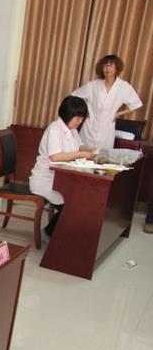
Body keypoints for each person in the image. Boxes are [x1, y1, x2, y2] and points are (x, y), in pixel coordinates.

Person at [29, 96, 95, 242]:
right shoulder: (54, 129)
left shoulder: (72, 130)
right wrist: (80, 154)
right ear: (67, 115)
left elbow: (79, 146)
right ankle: (48, 233)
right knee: (72, 207)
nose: (80, 122)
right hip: (45, 180)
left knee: (81, 201)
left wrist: (90, 152)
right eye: (77, 118)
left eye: (82, 119)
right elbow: (56, 156)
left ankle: (64, 235)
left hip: (62, 179)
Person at [72, 54, 143, 151]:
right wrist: (84, 111)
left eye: (111, 65)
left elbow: (136, 104)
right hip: (89, 128)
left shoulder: (123, 87)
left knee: (102, 156)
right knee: (82, 155)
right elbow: (75, 96)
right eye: (105, 66)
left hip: (107, 129)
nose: (107, 68)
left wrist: (118, 113)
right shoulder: (93, 85)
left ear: (117, 68)